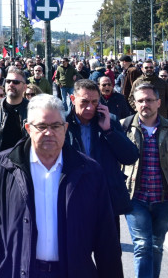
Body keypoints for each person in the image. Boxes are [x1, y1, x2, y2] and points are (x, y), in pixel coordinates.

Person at [0, 94, 123, 278]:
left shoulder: (90, 171)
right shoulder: (0, 167)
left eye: (56, 126)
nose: (49, 132)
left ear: (65, 128)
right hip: (20, 272)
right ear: (28, 128)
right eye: (41, 126)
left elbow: (106, 236)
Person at [121, 82, 168, 278]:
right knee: (142, 245)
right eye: (140, 101)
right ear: (134, 103)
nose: (144, 104)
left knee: (156, 246)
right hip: (135, 197)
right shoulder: (124, 126)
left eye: (149, 100)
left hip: (164, 198)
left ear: (158, 102)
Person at [65, 79, 139, 234]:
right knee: (76, 255)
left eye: (94, 102)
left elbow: (130, 157)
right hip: (73, 200)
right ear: (73, 99)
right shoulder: (62, 124)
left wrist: (109, 131)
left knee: (109, 256)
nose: (90, 107)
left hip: (105, 200)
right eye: (84, 102)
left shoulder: (109, 120)